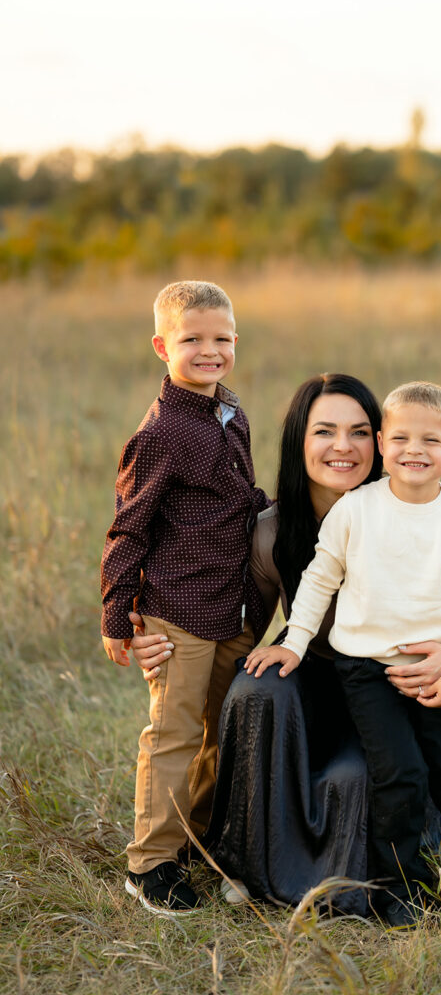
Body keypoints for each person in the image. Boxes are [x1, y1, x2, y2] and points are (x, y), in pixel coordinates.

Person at [131, 374, 441, 916]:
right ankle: (245, 861)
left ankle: (351, 880)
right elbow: (233, 631)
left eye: (358, 432)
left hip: (384, 686)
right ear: (298, 442)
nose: (342, 447)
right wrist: (159, 645)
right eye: (323, 431)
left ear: (380, 442)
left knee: (351, 781)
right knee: (254, 689)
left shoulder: (419, 516)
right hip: (310, 673)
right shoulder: (272, 531)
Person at [247, 381, 441, 929]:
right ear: (383, 446)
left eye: (432, 440)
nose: (416, 450)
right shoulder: (356, 510)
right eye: (402, 438)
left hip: (432, 672)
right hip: (365, 671)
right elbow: (320, 579)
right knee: (400, 775)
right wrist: (293, 643)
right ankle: (401, 891)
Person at [101, 280, 269, 916]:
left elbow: (240, 499)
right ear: (161, 345)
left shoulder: (231, 411)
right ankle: (150, 863)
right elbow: (130, 525)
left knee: (221, 732)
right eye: (193, 339)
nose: (210, 351)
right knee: (172, 734)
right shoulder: (162, 431)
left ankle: (196, 840)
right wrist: (119, 616)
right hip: (178, 612)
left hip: (234, 608)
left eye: (222, 338)